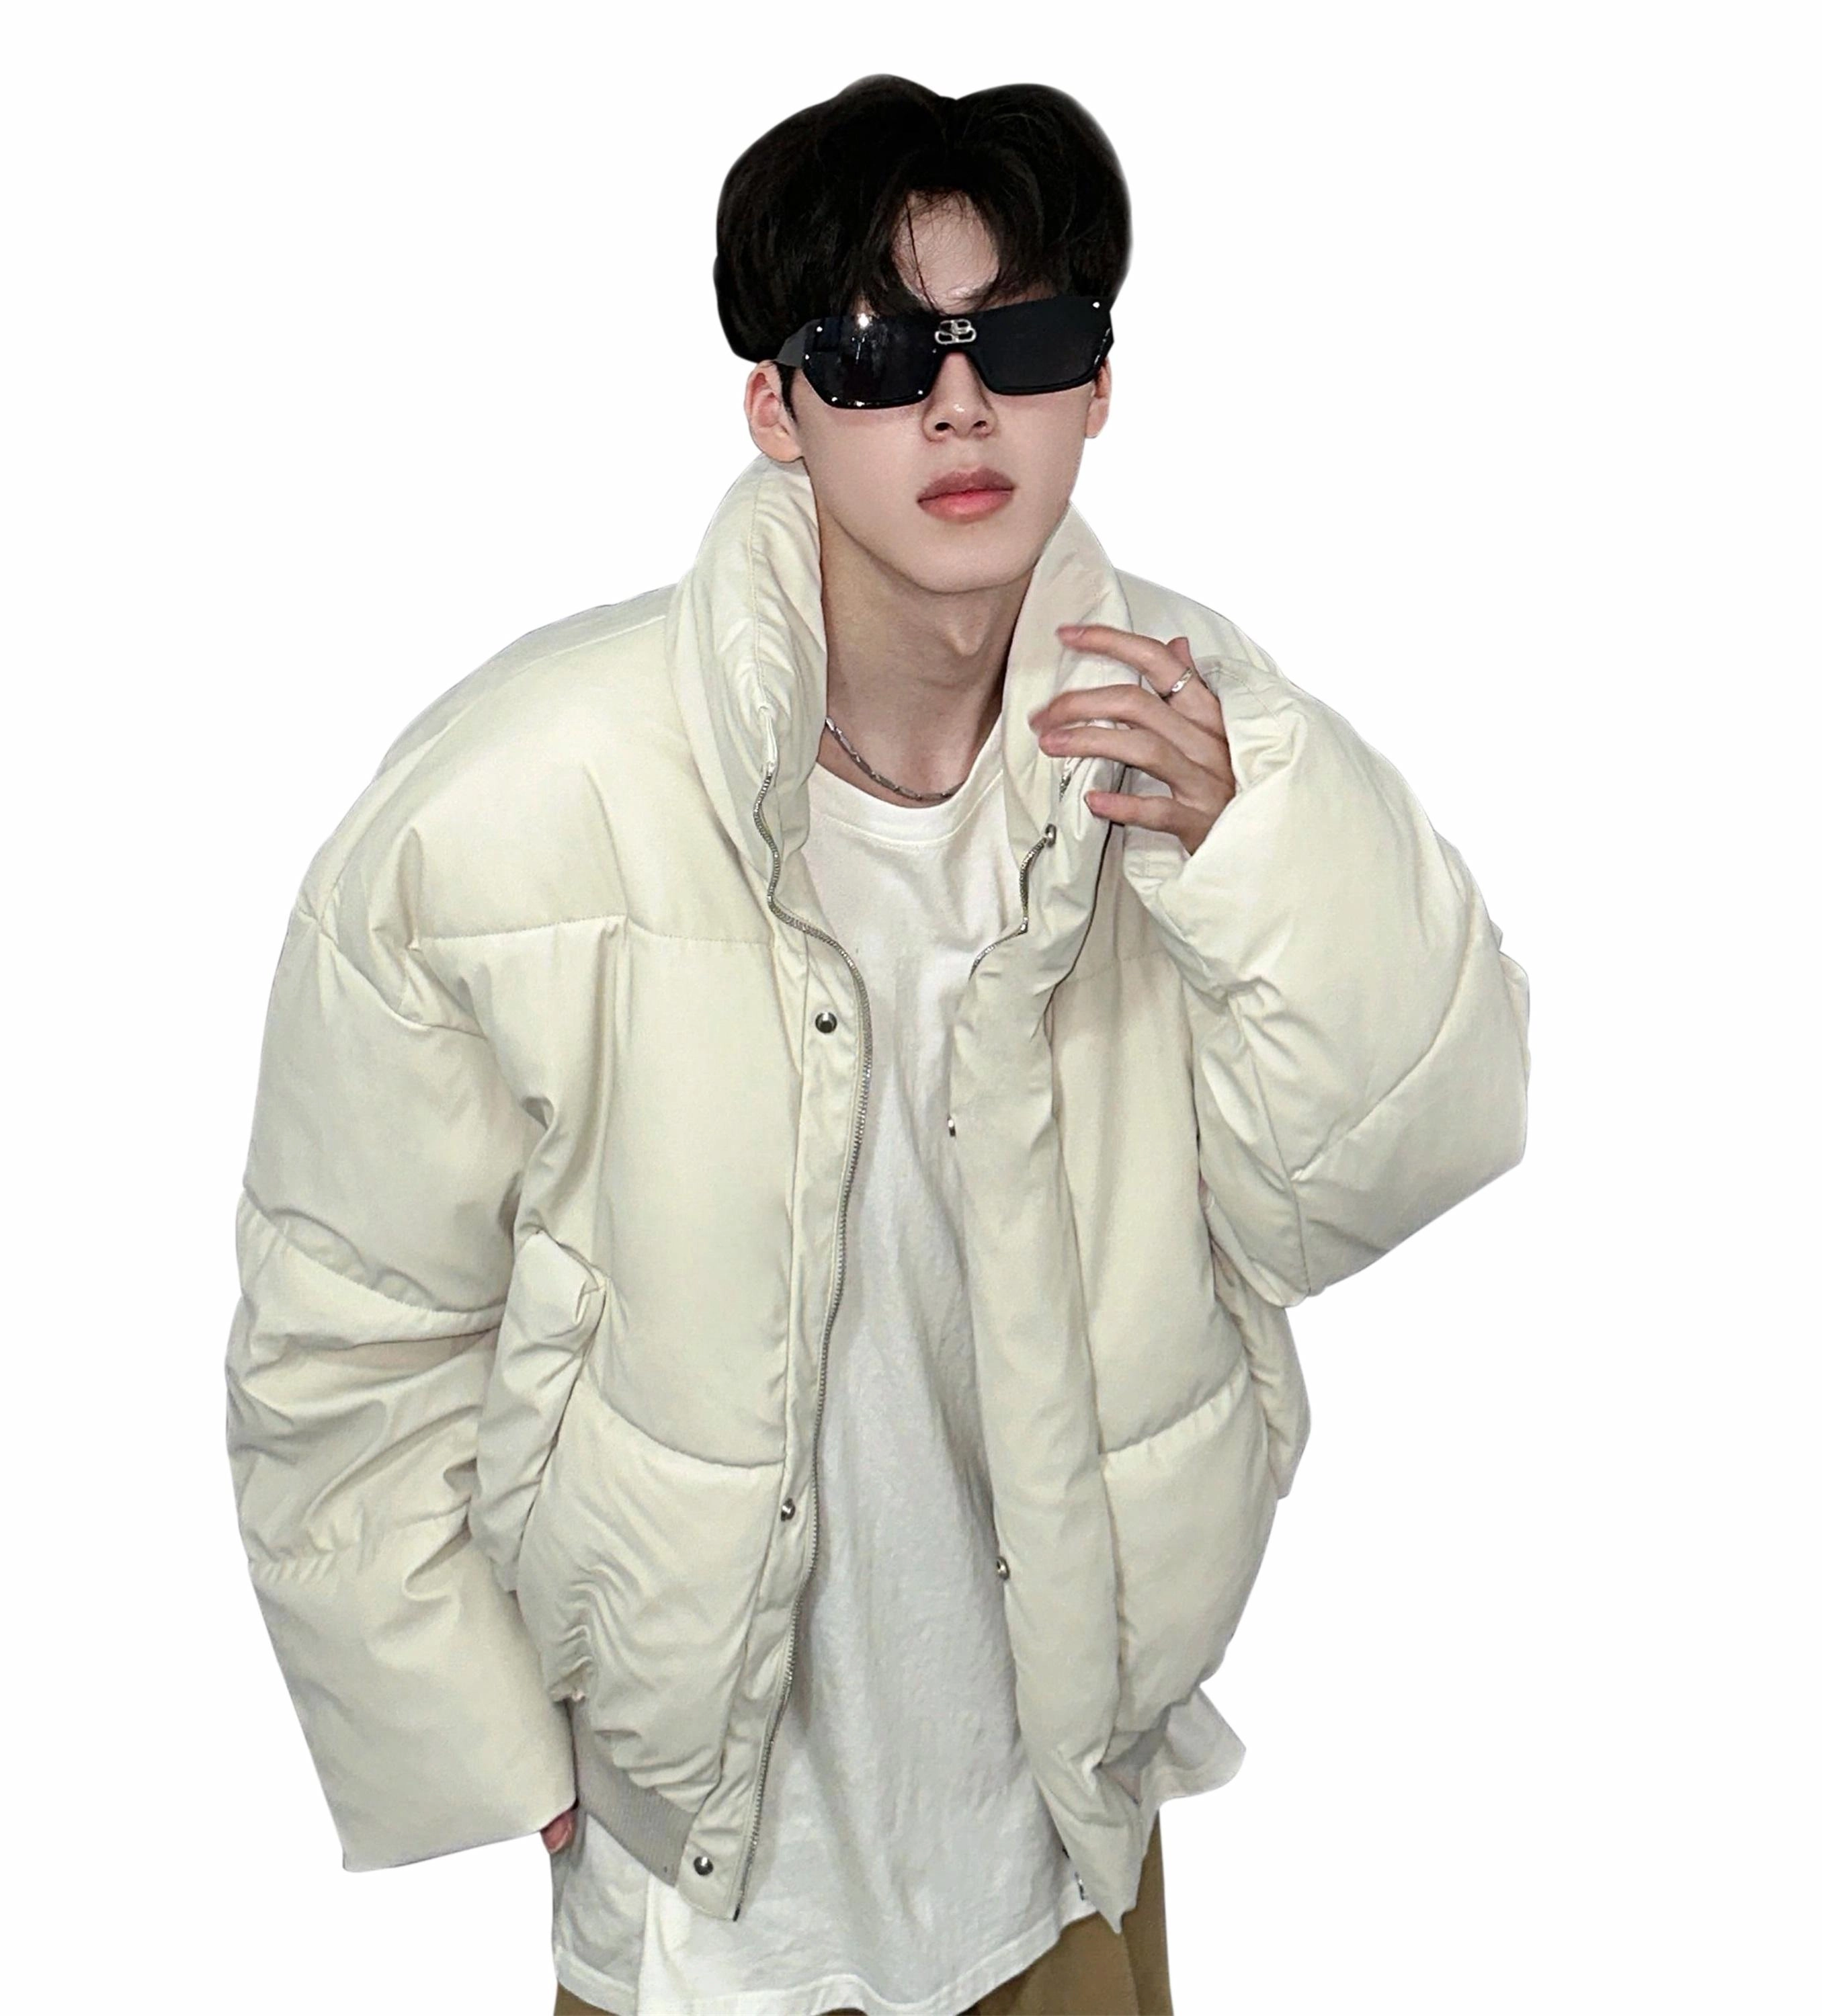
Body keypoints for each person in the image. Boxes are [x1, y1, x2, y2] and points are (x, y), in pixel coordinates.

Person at [222, 75, 1532, 2016]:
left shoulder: (1198, 739)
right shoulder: (519, 798)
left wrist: (1250, 848)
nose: (958, 406)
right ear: (775, 407)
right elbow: (347, 1327)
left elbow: (1402, 1153)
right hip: (704, 1903)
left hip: (1058, 1850)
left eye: (1023, 339)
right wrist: (486, 1749)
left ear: (1100, 383)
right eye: (876, 351)